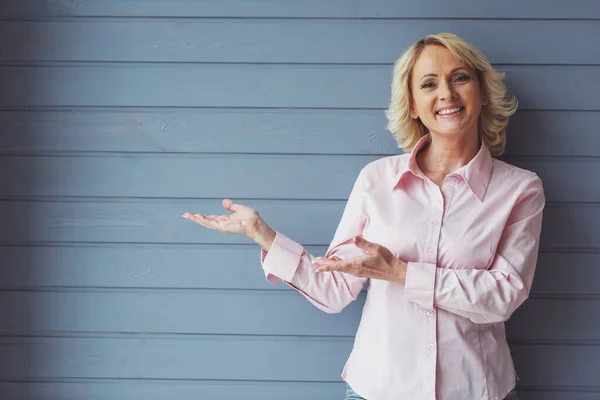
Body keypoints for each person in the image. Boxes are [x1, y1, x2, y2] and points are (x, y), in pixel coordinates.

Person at [183, 33, 544, 400]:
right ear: (414, 105)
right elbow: (335, 288)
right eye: (429, 84)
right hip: (378, 388)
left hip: (476, 390)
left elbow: (503, 295)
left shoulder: (520, 190)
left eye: (460, 78)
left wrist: (401, 274)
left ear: (482, 93)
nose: (446, 93)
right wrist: (264, 235)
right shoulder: (377, 180)